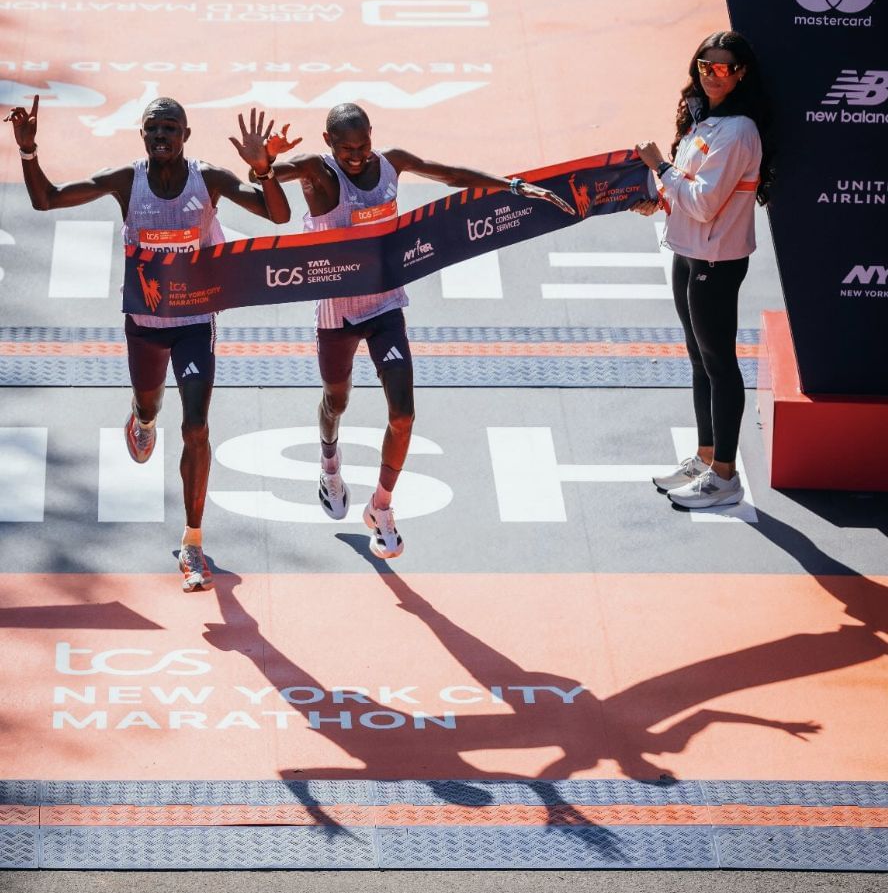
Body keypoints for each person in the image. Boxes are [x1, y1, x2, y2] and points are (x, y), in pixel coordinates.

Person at [263, 103, 573, 559]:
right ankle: (330, 462)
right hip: (336, 311)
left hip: (385, 303)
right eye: (345, 147)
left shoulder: (391, 162)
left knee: (403, 415)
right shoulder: (318, 171)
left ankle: (381, 507)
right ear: (328, 142)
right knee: (337, 400)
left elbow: (448, 174)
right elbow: (273, 177)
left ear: (373, 134)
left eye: (363, 144)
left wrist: (507, 185)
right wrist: (265, 164)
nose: (356, 155)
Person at [5, 94, 291, 588]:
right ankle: (142, 417)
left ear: (185, 136)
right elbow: (46, 199)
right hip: (143, 322)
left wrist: (264, 170)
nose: (161, 137)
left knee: (196, 428)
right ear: (143, 135)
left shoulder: (210, 180)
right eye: (152, 130)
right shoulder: (126, 181)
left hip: (195, 321)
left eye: (170, 129)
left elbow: (278, 216)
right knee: (149, 401)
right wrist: (28, 152)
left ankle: (194, 543)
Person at [633, 31, 774, 510]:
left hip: (717, 257)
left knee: (719, 365)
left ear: (741, 73)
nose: (712, 76)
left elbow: (704, 201)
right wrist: (660, 196)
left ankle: (726, 476)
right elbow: (688, 194)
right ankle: (706, 456)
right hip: (689, 251)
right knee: (698, 359)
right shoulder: (704, 120)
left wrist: (660, 168)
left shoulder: (737, 131)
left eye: (722, 68)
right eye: (704, 67)